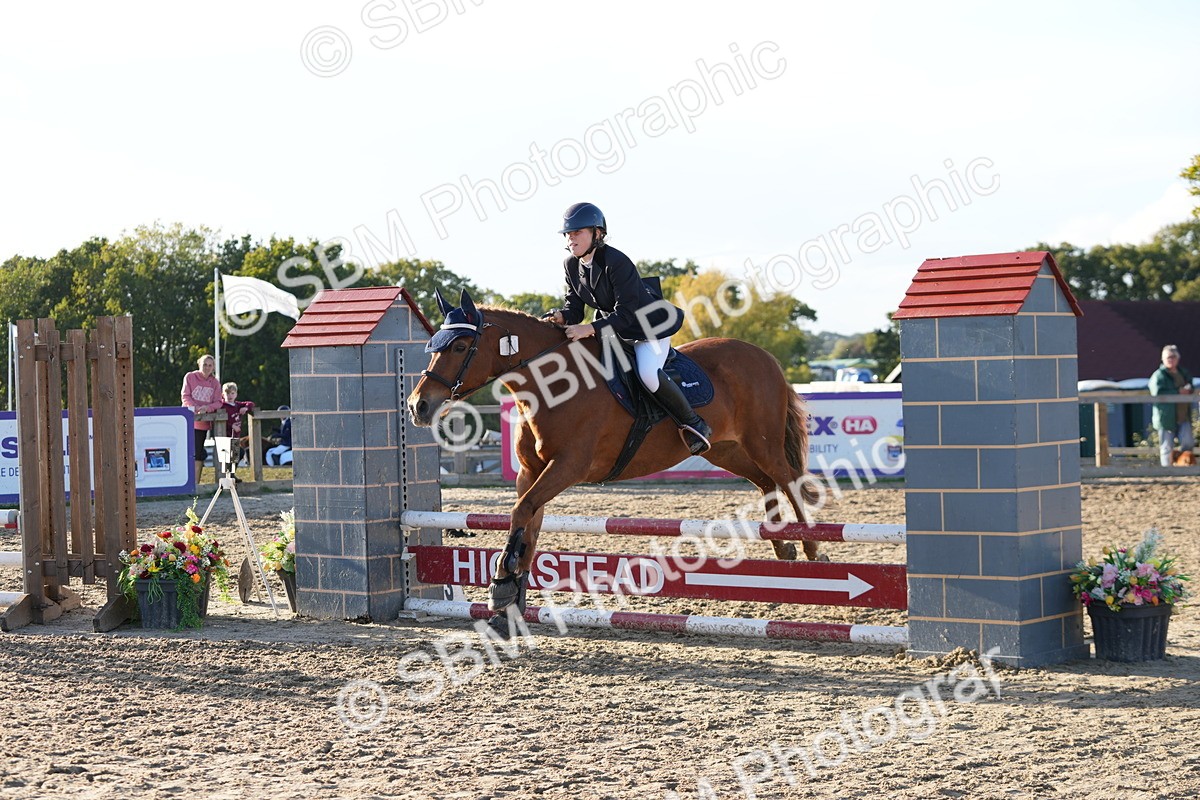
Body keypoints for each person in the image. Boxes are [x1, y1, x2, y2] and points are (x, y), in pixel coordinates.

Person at [544, 202, 712, 455]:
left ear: (597, 234)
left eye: (578, 232)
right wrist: (560, 316)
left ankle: (693, 423)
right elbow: (575, 309)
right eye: (568, 234)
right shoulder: (571, 264)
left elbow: (626, 314)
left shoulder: (616, 261)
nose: (571, 238)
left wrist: (589, 328)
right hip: (615, 331)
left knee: (647, 373)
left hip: (647, 327)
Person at [1149, 344, 1195, 466]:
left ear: (1177, 358)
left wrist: (1188, 390)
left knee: (1188, 443)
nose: (1170, 359)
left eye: (1173, 357)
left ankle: (1185, 466)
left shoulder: (1183, 373)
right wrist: (1177, 392)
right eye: (1168, 357)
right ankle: (1167, 470)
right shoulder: (1159, 375)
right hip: (1166, 417)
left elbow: (1191, 385)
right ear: (1163, 359)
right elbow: (1156, 392)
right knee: (1166, 446)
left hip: (1183, 415)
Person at [180, 354, 222, 484]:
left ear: (213, 367)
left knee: (198, 452)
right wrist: (197, 408)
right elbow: (185, 396)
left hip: (202, 424)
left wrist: (207, 408)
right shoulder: (190, 377)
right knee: (185, 451)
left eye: (210, 365)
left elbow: (218, 402)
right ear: (199, 364)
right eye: (205, 364)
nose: (207, 367)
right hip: (187, 421)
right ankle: (182, 482)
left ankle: (195, 483)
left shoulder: (215, 383)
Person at [220, 382, 255, 468]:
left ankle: (231, 475)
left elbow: (251, 403)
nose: (230, 396)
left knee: (235, 456)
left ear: (236, 394)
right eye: (227, 393)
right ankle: (228, 475)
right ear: (222, 395)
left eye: (232, 393)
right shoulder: (222, 405)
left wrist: (246, 408)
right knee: (231, 456)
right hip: (225, 435)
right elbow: (219, 419)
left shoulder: (237, 405)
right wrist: (231, 425)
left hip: (235, 435)